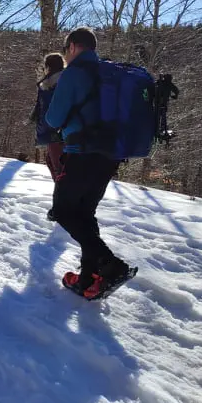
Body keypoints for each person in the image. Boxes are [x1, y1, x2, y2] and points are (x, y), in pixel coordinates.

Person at [45, 27, 131, 299]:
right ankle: (87, 279)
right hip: (110, 156)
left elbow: (53, 119)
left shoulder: (73, 73)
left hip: (81, 152)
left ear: (71, 46)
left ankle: (111, 265)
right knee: (84, 214)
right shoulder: (111, 73)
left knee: (63, 211)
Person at [29, 53, 65, 180]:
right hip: (67, 133)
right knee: (59, 168)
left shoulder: (45, 85)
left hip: (53, 134)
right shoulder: (68, 81)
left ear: (48, 67)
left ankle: (63, 198)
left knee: (59, 171)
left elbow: (43, 112)